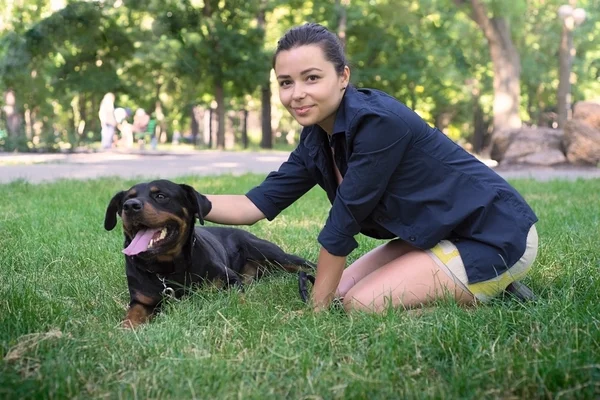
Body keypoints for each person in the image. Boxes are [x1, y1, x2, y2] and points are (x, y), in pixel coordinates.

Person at [203, 23, 539, 313]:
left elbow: (341, 225)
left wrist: (315, 313)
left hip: (494, 233)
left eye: (312, 78)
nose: (297, 94)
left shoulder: (378, 123)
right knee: (340, 292)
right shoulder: (316, 139)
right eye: (286, 82)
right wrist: (184, 200)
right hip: (439, 233)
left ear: (343, 76)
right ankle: (472, 283)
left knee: (361, 305)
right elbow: (254, 204)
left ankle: (492, 290)